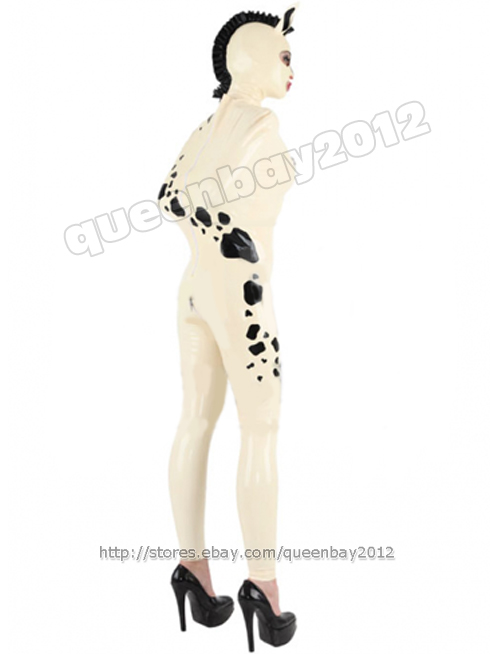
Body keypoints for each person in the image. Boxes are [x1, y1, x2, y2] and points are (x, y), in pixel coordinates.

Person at [159, 6, 299, 649]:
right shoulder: (262, 127)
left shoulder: (203, 129)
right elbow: (219, 207)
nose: (292, 69)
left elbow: (169, 195)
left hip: (193, 289)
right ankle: (263, 588)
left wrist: (208, 227)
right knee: (259, 428)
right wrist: (227, 232)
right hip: (241, 296)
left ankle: (192, 568)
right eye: (285, 56)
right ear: (254, 57)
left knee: (195, 420)